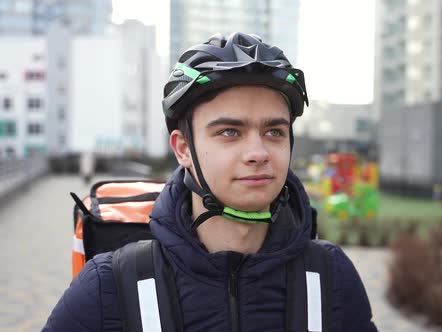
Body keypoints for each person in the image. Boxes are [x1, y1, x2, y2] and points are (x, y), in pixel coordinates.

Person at [42, 32, 377, 331]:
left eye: (274, 131)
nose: (258, 152)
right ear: (183, 149)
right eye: (230, 132)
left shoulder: (330, 277)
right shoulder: (109, 285)